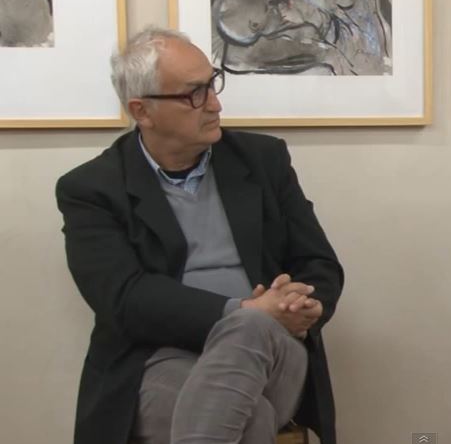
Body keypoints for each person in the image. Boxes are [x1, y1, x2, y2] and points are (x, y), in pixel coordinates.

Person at [56, 27, 344, 444]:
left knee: (251, 329)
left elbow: (318, 262)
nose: (214, 103)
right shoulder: (92, 188)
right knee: (252, 418)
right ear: (142, 111)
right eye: (194, 94)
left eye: (212, 84)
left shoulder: (264, 161)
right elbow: (123, 297)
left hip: (273, 349)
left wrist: (303, 305)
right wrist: (242, 309)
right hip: (159, 357)